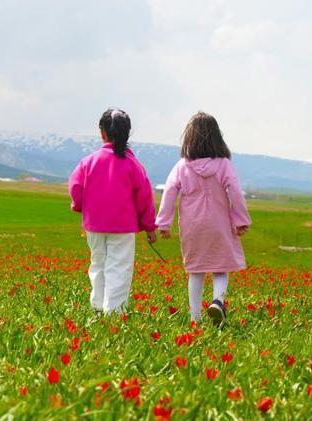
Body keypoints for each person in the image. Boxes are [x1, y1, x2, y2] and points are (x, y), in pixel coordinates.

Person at [156, 112, 251, 327]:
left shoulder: (182, 166)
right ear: (217, 137)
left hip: (192, 226)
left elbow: (169, 191)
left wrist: (164, 223)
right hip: (219, 224)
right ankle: (218, 302)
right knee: (221, 267)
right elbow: (236, 192)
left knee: (196, 271)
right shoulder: (224, 164)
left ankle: (195, 319)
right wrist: (240, 220)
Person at [69, 108, 157, 315]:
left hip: (94, 225)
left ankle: (97, 307)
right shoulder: (133, 164)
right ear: (127, 133)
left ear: (102, 133)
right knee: (119, 268)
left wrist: (80, 206)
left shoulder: (88, 162)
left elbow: (75, 186)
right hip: (123, 228)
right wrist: (148, 226)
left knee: (98, 264)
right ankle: (114, 312)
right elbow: (144, 198)